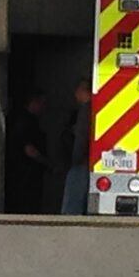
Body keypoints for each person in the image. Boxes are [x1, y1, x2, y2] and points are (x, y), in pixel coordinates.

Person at [5, 88, 50, 214]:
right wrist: (48, 164)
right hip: (25, 177)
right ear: (34, 102)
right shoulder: (27, 121)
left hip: (20, 175)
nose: (44, 107)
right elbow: (30, 150)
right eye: (43, 103)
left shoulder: (20, 119)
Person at [61, 78, 92, 215]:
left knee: (72, 207)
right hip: (90, 162)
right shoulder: (97, 109)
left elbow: (81, 137)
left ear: (82, 91)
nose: (75, 95)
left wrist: (76, 159)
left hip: (82, 163)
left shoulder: (86, 110)